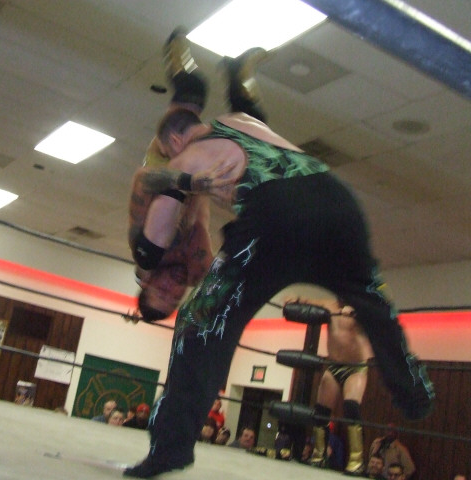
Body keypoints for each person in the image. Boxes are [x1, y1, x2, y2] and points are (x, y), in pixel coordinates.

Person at [125, 107, 434, 477]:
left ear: (175, 140)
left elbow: (153, 243)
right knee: (369, 296)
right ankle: (412, 387)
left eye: (167, 151)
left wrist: (146, 258)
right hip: (339, 202)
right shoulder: (239, 120)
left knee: (199, 321)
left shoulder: (187, 159)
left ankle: (169, 450)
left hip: (275, 217)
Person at [130, 28, 268, 322]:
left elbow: (143, 179)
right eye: (175, 298)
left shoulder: (145, 247)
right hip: (200, 179)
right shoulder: (197, 270)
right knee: (254, 138)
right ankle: (238, 73)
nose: (173, 289)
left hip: (169, 162)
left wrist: (186, 181)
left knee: (193, 91)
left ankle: (173, 49)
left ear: (147, 282)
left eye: (162, 291)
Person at [296, 298, 372, 475]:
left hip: (355, 368)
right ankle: (318, 456)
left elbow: (378, 314)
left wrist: (358, 313)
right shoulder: (329, 305)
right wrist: (296, 299)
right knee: (321, 411)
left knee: (351, 407)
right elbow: (309, 302)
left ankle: (356, 461)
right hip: (333, 366)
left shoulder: (363, 304)